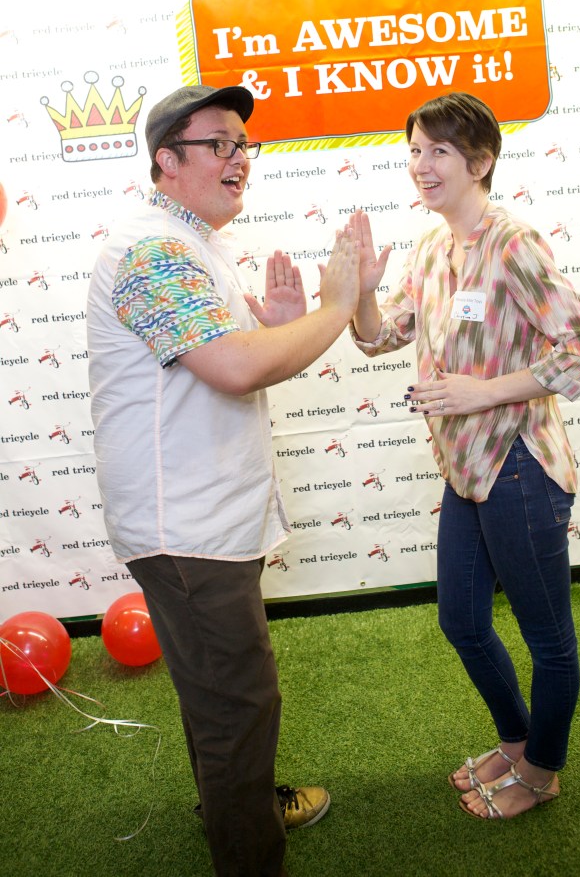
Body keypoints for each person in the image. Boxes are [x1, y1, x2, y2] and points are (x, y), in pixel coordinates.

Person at [86, 83, 360, 876]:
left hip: (202, 523)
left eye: (244, 143)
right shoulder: (155, 251)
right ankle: (249, 849)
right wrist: (337, 308)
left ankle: (235, 804)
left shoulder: (194, 243)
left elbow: (229, 357)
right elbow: (233, 369)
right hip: (188, 531)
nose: (239, 158)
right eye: (218, 144)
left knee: (219, 695)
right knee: (238, 702)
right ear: (167, 161)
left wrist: (280, 327)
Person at [345, 92, 580, 820]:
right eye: (414, 150)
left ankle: (542, 771)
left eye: (438, 150)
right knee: (462, 622)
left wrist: (485, 391)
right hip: (465, 471)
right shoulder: (431, 245)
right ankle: (517, 739)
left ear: (480, 162)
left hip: (520, 467)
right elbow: (380, 336)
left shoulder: (513, 244)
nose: (421, 165)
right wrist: (363, 296)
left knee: (548, 640)